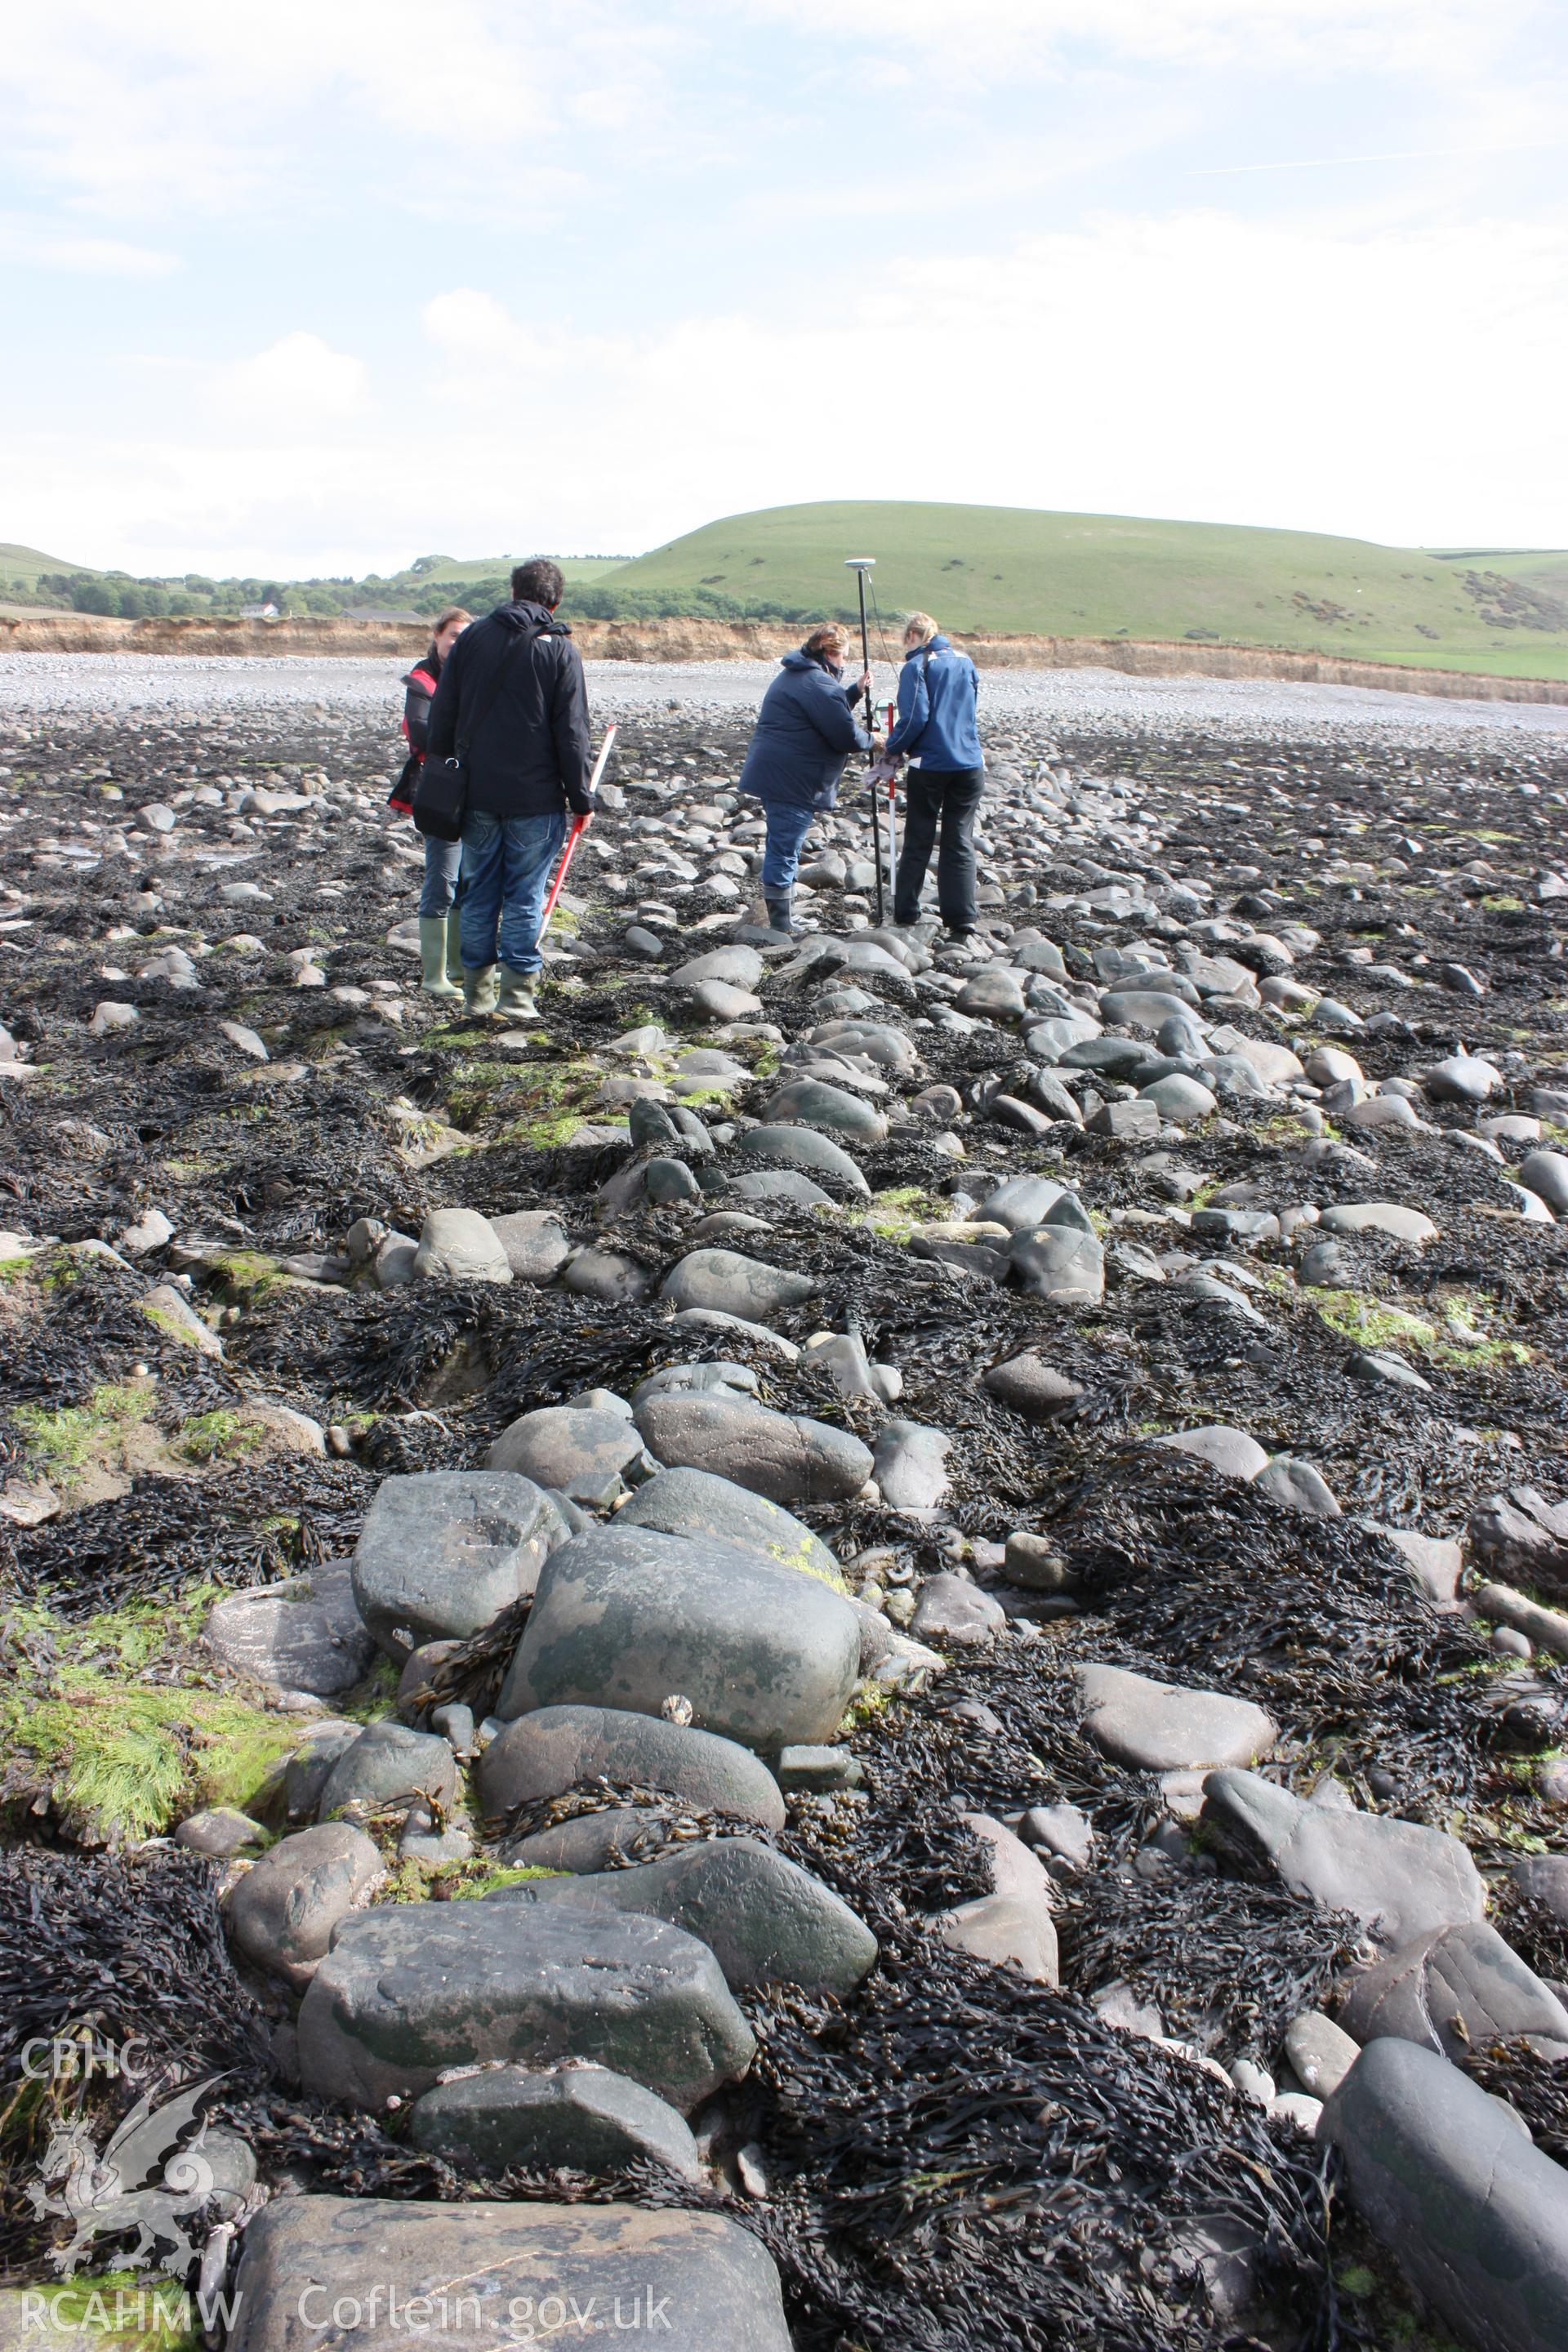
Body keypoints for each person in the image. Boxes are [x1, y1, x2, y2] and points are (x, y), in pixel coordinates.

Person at [425, 557, 599, 1019]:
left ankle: (477, 998)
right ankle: (518, 999)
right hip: (536, 800)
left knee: (479, 891)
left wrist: (447, 770)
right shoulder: (560, 649)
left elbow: (442, 715)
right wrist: (582, 799)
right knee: (525, 896)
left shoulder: (472, 638)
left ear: (514, 591)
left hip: (477, 793)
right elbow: (573, 734)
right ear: (556, 601)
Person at [737, 623, 872, 934]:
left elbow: (824, 712)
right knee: (785, 847)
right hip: (793, 778)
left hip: (778, 772)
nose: (844, 664)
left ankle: (782, 917)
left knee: (782, 844)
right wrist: (873, 740)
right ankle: (781, 925)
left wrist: (853, 692)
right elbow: (844, 735)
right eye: (843, 658)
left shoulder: (799, 676)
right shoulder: (818, 684)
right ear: (829, 653)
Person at [390, 606, 472, 1000]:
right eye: (453, 634)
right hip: (439, 790)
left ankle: (457, 968)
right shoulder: (422, 680)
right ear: (438, 636)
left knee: (469, 880)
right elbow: (420, 730)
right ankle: (433, 976)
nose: (458, 642)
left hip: (477, 788)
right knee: (442, 879)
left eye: (465, 636)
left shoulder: (477, 677)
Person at [886, 611, 984, 941]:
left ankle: (907, 910)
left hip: (930, 764)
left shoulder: (917, 667)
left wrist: (893, 749)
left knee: (919, 837)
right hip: (970, 763)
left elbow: (915, 716)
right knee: (959, 839)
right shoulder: (965, 661)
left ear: (912, 635)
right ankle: (962, 918)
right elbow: (970, 707)